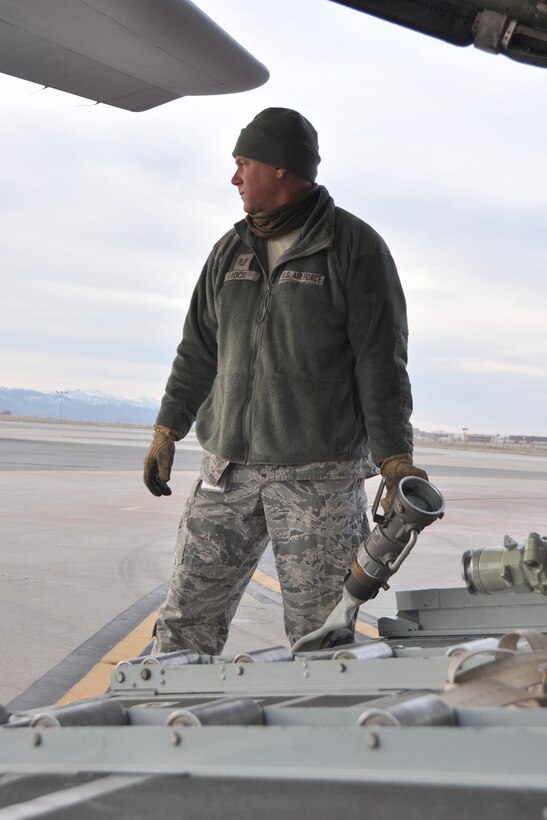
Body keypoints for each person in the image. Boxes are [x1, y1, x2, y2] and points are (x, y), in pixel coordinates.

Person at [143, 107, 427, 655]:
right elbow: (197, 350)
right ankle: (171, 727)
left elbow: (381, 363)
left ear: (278, 168)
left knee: (320, 638)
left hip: (316, 480)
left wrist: (394, 456)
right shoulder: (228, 253)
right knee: (183, 625)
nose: (234, 178)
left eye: (242, 163)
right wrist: (167, 428)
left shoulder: (355, 248)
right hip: (226, 472)